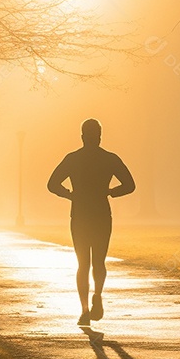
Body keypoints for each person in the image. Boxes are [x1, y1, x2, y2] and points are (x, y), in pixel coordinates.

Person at [48, 119, 135, 326]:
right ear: (100, 136)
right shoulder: (110, 159)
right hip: (101, 215)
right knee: (99, 262)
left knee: (82, 264)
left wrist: (70, 195)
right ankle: (98, 294)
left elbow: (52, 184)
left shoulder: (73, 159)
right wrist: (110, 192)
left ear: (82, 136)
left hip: (79, 215)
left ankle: (84, 310)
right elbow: (130, 185)